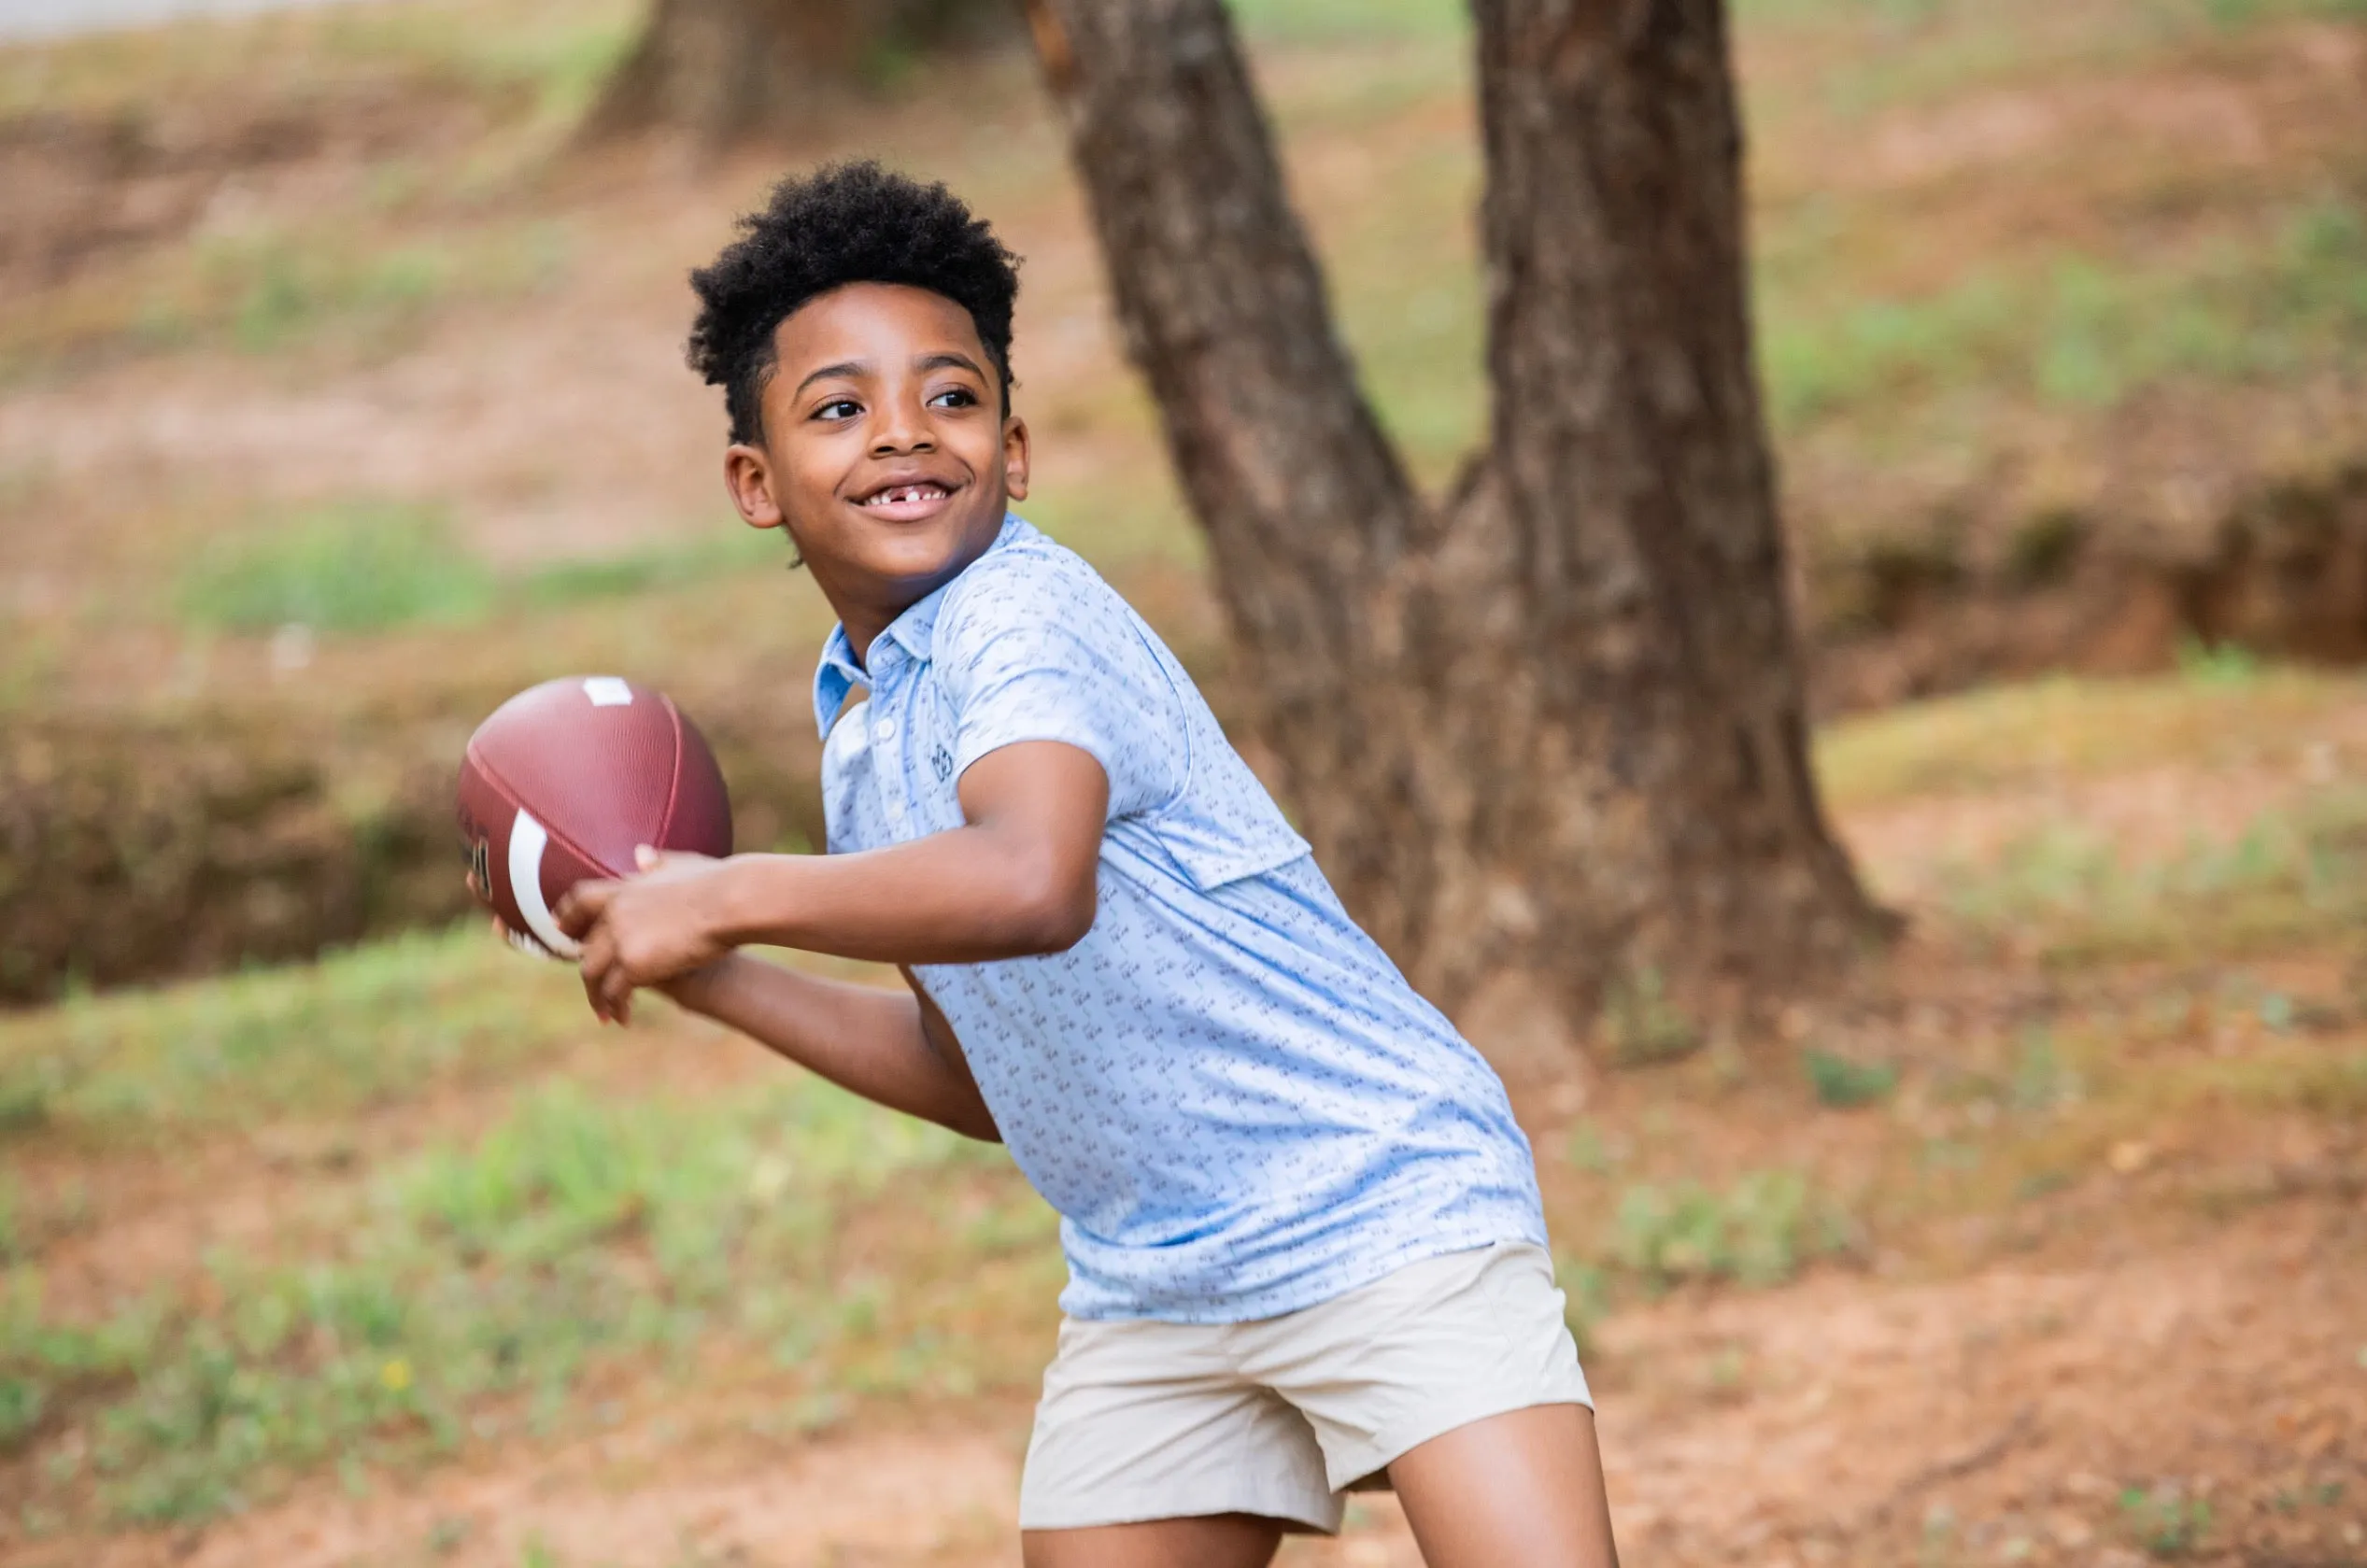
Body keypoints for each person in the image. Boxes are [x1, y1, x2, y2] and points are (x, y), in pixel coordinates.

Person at [546, 161, 1621, 1568]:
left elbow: (1033, 882)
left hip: (1375, 1197)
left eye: (951, 395)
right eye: (837, 408)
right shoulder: (865, 744)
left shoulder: (1023, 616)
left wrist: (729, 885)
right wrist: (715, 974)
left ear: (1016, 446)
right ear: (756, 482)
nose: (902, 435)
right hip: (1155, 1282)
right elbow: (979, 1075)